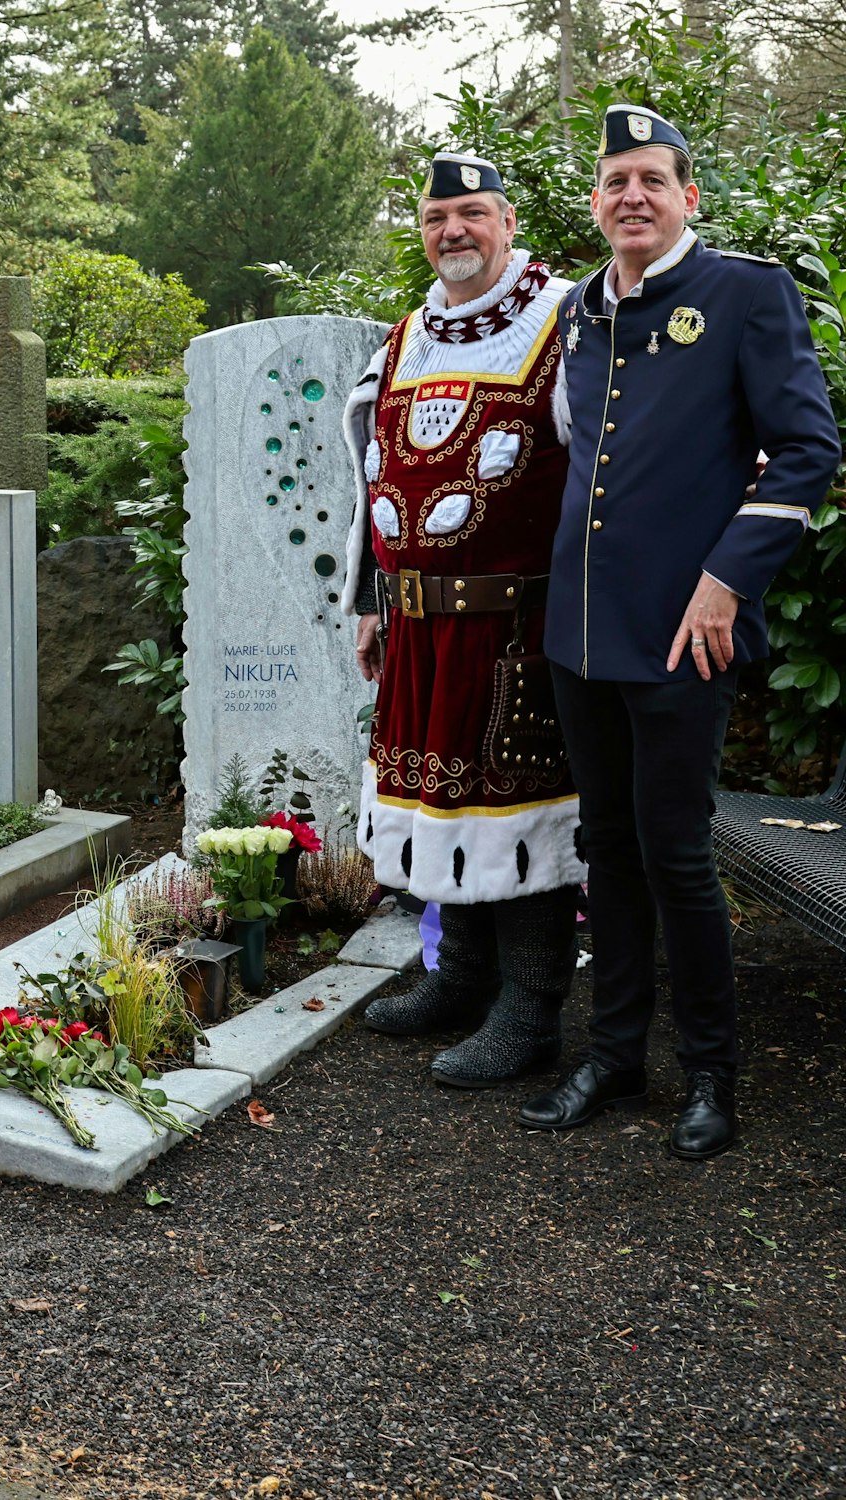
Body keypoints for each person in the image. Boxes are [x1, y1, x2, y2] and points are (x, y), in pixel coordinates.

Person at [522, 104, 840, 1157]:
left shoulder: (745, 293)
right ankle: (614, 1056)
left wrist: (725, 582)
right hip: (579, 630)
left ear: (686, 196)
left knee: (675, 852)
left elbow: (806, 450)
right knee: (605, 848)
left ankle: (710, 1075)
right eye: (615, 181)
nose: (632, 197)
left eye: (651, 180)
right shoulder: (579, 307)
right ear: (595, 201)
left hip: (682, 632)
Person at [342, 151, 586, 1088]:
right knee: (441, 803)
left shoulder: (566, 322)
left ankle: (530, 1015)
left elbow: (611, 475)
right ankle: (463, 978)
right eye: (437, 217)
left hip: (520, 632)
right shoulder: (405, 337)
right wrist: (372, 602)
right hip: (418, 629)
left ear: (508, 223)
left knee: (519, 813)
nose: (454, 231)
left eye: (473, 213)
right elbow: (371, 483)